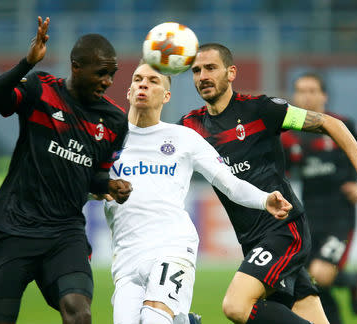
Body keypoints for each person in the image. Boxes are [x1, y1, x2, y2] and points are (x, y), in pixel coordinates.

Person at [179, 43, 357, 324]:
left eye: (211, 68)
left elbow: (329, 123)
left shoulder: (260, 110)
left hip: (284, 231)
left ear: (231, 72)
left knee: (237, 306)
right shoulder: (189, 127)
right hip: (251, 238)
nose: (203, 76)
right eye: (196, 70)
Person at [102, 62, 292, 324]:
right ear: (129, 90)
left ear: (166, 96)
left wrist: (264, 199)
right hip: (126, 257)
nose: (143, 84)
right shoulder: (108, 139)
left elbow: (230, 183)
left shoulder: (184, 138)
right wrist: (101, 188)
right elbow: (85, 185)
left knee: (154, 320)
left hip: (171, 247)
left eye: (153, 80)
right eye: (137, 79)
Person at [0, 16, 132, 324]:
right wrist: (26, 64)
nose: (108, 81)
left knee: (79, 312)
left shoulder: (114, 121)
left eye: (112, 74)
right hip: (13, 227)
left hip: (63, 234)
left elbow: (92, 175)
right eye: (101, 73)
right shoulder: (41, 90)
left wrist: (110, 185)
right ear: (76, 67)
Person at [281, 72, 357, 323]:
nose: (307, 96)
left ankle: (353, 280)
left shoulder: (343, 125)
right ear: (294, 96)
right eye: (301, 91)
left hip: (340, 216)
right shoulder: (289, 135)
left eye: (313, 91)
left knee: (320, 274)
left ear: (324, 95)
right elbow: (281, 174)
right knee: (311, 285)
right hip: (308, 217)